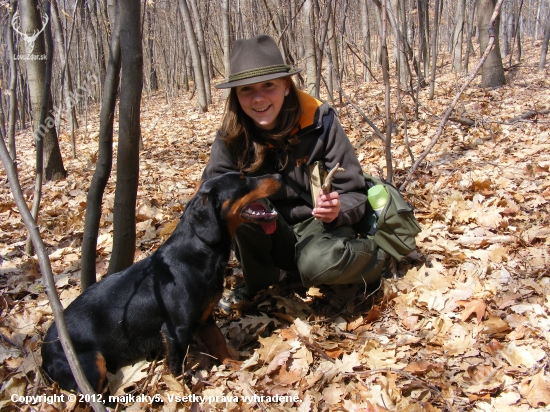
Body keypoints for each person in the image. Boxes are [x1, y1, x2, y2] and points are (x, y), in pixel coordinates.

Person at [201, 35, 390, 312]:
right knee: (239, 202)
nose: (259, 98)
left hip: (318, 226)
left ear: (286, 86)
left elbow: (354, 191)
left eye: (269, 86)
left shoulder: (319, 121)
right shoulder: (231, 136)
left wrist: (337, 210)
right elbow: (212, 197)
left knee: (316, 266)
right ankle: (261, 286)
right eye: (246, 89)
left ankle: (380, 257)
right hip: (269, 230)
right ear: (235, 95)